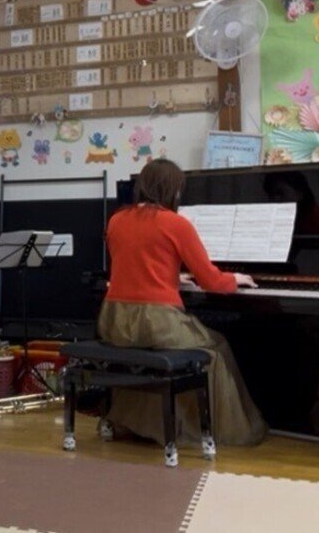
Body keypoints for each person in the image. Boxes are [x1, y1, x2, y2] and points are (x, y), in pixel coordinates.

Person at [99, 159, 267, 446]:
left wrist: (172, 277)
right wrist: (235, 278)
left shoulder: (116, 220)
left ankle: (139, 422)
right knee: (216, 348)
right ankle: (214, 431)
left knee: (150, 355)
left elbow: (135, 266)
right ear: (174, 191)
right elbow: (212, 280)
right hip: (156, 323)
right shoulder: (176, 224)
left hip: (115, 321)